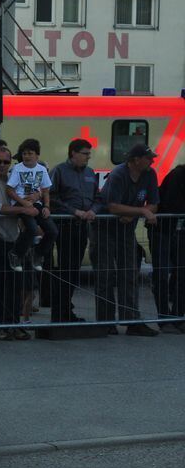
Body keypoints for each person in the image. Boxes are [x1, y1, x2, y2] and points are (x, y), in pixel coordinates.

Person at [94, 144, 160, 336]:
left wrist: (134, 214)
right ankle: (105, 322)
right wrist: (140, 211)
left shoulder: (150, 174)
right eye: (148, 158)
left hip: (126, 230)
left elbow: (154, 204)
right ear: (135, 160)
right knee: (105, 275)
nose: (152, 161)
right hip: (104, 230)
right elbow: (113, 207)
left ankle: (131, 320)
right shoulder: (118, 175)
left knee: (130, 274)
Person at [0, 147, 34, 341]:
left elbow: (33, 194)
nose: (2, 165)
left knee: (15, 284)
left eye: (6, 162)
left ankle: (12, 323)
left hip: (15, 238)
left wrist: (33, 202)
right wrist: (23, 209)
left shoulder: (15, 178)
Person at [48, 139, 98, 323]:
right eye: (85, 153)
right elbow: (51, 198)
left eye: (88, 154)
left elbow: (97, 197)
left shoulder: (90, 173)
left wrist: (93, 210)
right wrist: (73, 211)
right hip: (65, 226)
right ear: (73, 153)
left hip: (82, 227)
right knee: (65, 270)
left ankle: (67, 310)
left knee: (74, 271)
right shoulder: (59, 171)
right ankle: (60, 313)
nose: (88, 157)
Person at [6, 138, 57, 272]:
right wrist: (24, 203)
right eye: (24, 154)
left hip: (36, 203)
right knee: (33, 229)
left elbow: (45, 190)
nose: (27, 156)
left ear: (37, 155)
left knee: (52, 230)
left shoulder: (42, 169)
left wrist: (46, 206)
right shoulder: (17, 169)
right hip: (21, 203)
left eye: (30, 153)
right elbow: (10, 189)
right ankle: (16, 253)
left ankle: (38, 253)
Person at [155, 162, 185, 332]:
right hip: (163, 230)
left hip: (179, 231)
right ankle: (165, 319)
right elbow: (171, 203)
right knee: (161, 274)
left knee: (181, 272)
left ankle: (178, 316)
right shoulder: (178, 175)